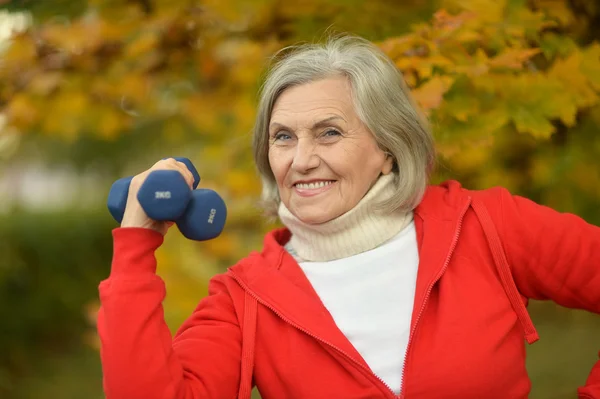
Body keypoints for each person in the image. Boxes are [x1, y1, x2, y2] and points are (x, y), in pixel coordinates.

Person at [97, 34, 600, 399]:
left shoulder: (486, 226)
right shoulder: (244, 297)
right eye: (283, 137)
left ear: (387, 147)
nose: (301, 159)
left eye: (329, 133)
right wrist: (136, 245)